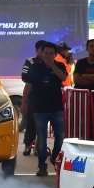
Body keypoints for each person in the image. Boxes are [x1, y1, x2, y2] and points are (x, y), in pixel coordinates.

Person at [21, 42, 68, 177]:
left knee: (60, 136)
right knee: (42, 140)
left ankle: (54, 156)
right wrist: (24, 103)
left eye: (51, 53)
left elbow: (64, 78)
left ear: (55, 54)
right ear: (41, 53)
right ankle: (42, 166)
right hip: (39, 108)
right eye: (45, 53)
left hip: (56, 108)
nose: (47, 55)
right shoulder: (35, 67)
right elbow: (28, 86)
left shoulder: (59, 65)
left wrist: (52, 65)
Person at [20, 40, 47, 156]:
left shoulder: (51, 62)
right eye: (42, 49)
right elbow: (24, 77)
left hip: (47, 96)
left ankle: (41, 147)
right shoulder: (30, 61)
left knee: (44, 122)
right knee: (31, 121)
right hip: (33, 96)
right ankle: (28, 145)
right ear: (37, 50)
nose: (45, 52)